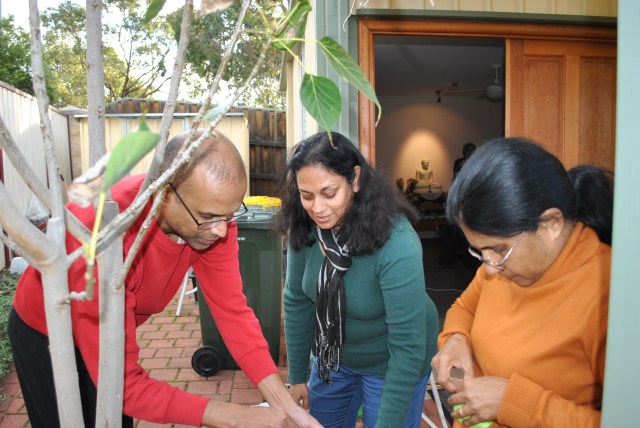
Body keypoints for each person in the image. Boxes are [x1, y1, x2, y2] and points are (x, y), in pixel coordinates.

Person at [8, 129, 321, 428]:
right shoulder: (105, 236)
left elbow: (233, 313)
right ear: (165, 194)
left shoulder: (214, 222)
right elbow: (125, 386)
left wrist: (284, 403)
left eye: (229, 214)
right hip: (47, 331)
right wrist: (237, 417)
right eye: (210, 217)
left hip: (108, 331)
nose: (223, 230)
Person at [431, 137, 612, 427]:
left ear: (551, 223)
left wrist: (514, 403)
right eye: (479, 250)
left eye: (500, 249)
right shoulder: (502, 266)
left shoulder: (608, 297)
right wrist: (455, 339)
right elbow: (464, 307)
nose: (488, 269)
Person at [277, 131, 440, 428]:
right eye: (306, 195)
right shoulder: (306, 226)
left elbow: (406, 348)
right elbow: (296, 300)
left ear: (354, 179)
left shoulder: (397, 242)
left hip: (391, 362)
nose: (317, 208)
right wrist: (297, 377)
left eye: (329, 193)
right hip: (334, 358)